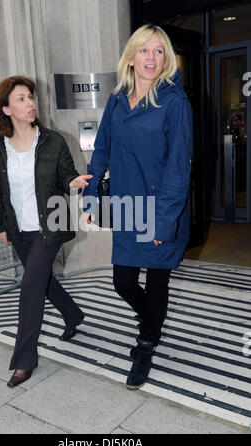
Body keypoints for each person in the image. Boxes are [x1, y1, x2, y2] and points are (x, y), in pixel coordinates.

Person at [83, 25, 193, 389]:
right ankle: (153, 323)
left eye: (159, 51)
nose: (152, 58)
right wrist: (90, 193)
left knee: (157, 280)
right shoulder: (116, 99)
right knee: (123, 281)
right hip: (128, 205)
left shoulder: (174, 102)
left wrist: (164, 224)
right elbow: (101, 149)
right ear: (131, 57)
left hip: (162, 207)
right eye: (145, 50)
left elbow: (179, 167)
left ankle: (144, 347)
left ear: (166, 60)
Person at [0, 76, 92, 387]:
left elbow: (66, 175)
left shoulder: (53, 141)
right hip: (19, 230)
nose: (30, 103)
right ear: (6, 109)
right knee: (43, 282)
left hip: (48, 227)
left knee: (30, 288)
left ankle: (24, 360)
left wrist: (72, 183)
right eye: (21, 99)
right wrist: (0, 226)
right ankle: (73, 316)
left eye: (30, 97)